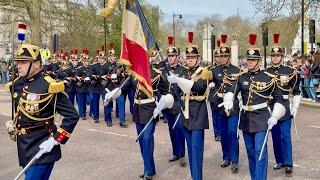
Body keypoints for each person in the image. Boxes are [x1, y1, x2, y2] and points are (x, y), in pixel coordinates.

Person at [4, 44, 79, 180]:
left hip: (43, 148)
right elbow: (21, 113)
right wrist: (14, 125)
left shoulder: (49, 86)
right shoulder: (17, 84)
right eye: (18, 62)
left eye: (23, 62)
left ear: (37, 64)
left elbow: (72, 116)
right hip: (24, 147)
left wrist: (55, 140)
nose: (18, 66)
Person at [221, 34, 286, 180]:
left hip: (262, 119)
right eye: (248, 59)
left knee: (260, 152)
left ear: (259, 61)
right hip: (246, 120)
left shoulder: (268, 77)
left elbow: (279, 99)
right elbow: (231, 91)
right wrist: (229, 100)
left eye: (253, 60)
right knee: (250, 152)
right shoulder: (241, 77)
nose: (249, 62)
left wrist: (275, 116)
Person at [168, 32, 211, 180]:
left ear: (198, 58)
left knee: (196, 149)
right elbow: (177, 92)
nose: (190, 60)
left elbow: (198, 87)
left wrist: (179, 81)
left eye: (193, 57)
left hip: (198, 113)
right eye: (188, 58)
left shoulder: (204, 72)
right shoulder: (183, 72)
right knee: (191, 150)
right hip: (185, 114)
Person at [266, 34, 301, 175]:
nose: (275, 58)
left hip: (285, 106)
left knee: (285, 136)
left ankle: (288, 163)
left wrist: (295, 107)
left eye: (277, 55)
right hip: (271, 107)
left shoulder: (290, 71)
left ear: (281, 56)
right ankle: (279, 160)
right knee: (275, 136)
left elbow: (297, 91)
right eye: (273, 55)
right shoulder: (265, 72)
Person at [210, 34, 241, 173]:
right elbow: (210, 85)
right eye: (220, 56)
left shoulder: (236, 70)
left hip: (232, 105)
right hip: (219, 105)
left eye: (225, 56)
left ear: (229, 56)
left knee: (232, 132)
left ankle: (234, 160)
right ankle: (226, 157)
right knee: (223, 133)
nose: (222, 58)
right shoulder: (214, 70)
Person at [161, 36, 187, 166]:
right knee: (171, 130)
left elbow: (185, 87)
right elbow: (160, 86)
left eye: (173, 56)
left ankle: (182, 154)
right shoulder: (163, 70)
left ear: (177, 57)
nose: (170, 58)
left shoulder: (183, 70)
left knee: (178, 129)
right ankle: (175, 153)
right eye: (169, 56)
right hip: (167, 104)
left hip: (178, 103)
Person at [208, 39, 222, 142]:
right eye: (216, 57)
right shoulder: (211, 68)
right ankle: (217, 133)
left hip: (222, 95)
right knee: (215, 116)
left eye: (219, 56)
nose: (218, 58)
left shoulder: (224, 68)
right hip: (213, 96)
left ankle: (222, 132)